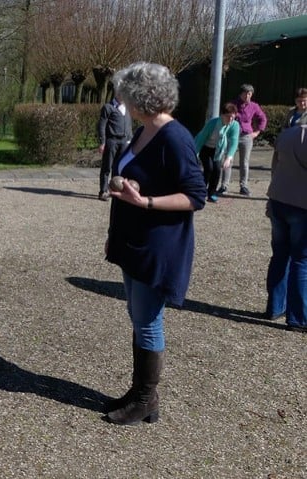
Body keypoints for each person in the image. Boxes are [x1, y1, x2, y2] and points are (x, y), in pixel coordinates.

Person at [104, 62, 207, 425]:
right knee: (138, 316)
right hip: (134, 240)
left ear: (141, 98)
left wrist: (145, 202)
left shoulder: (174, 136)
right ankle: (141, 393)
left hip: (157, 244)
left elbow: (196, 195)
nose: (122, 102)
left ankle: (145, 399)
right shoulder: (144, 130)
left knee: (147, 320)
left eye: (126, 96)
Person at [264, 121, 307, 333]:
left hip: (278, 199)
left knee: (280, 254)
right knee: (302, 259)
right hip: (302, 204)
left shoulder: (287, 134)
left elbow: (275, 167)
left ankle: (274, 307)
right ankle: (298, 317)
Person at [220, 84, 267, 196]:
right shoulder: (233, 104)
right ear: (240, 93)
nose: (247, 95)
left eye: (249, 93)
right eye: (245, 93)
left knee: (244, 162)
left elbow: (263, 118)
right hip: (232, 135)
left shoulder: (254, 106)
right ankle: (224, 186)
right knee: (228, 160)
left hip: (246, 136)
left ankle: (243, 186)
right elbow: (224, 116)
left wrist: (256, 132)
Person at [194, 103, 239, 203]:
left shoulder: (234, 125)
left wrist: (228, 157)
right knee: (208, 168)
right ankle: (200, 192)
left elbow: (234, 141)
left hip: (218, 150)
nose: (231, 120)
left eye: (233, 117)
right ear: (222, 115)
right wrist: (194, 154)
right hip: (205, 148)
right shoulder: (213, 123)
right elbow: (201, 138)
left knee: (217, 170)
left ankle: (212, 194)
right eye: (228, 117)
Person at [96, 92, 133, 201]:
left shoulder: (127, 108)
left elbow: (129, 125)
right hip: (112, 141)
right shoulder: (108, 107)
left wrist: (130, 140)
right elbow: (102, 126)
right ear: (117, 93)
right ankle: (103, 191)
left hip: (124, 141)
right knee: (107, 167)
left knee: (119, 167)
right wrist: (102, 142)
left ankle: (115, 190)